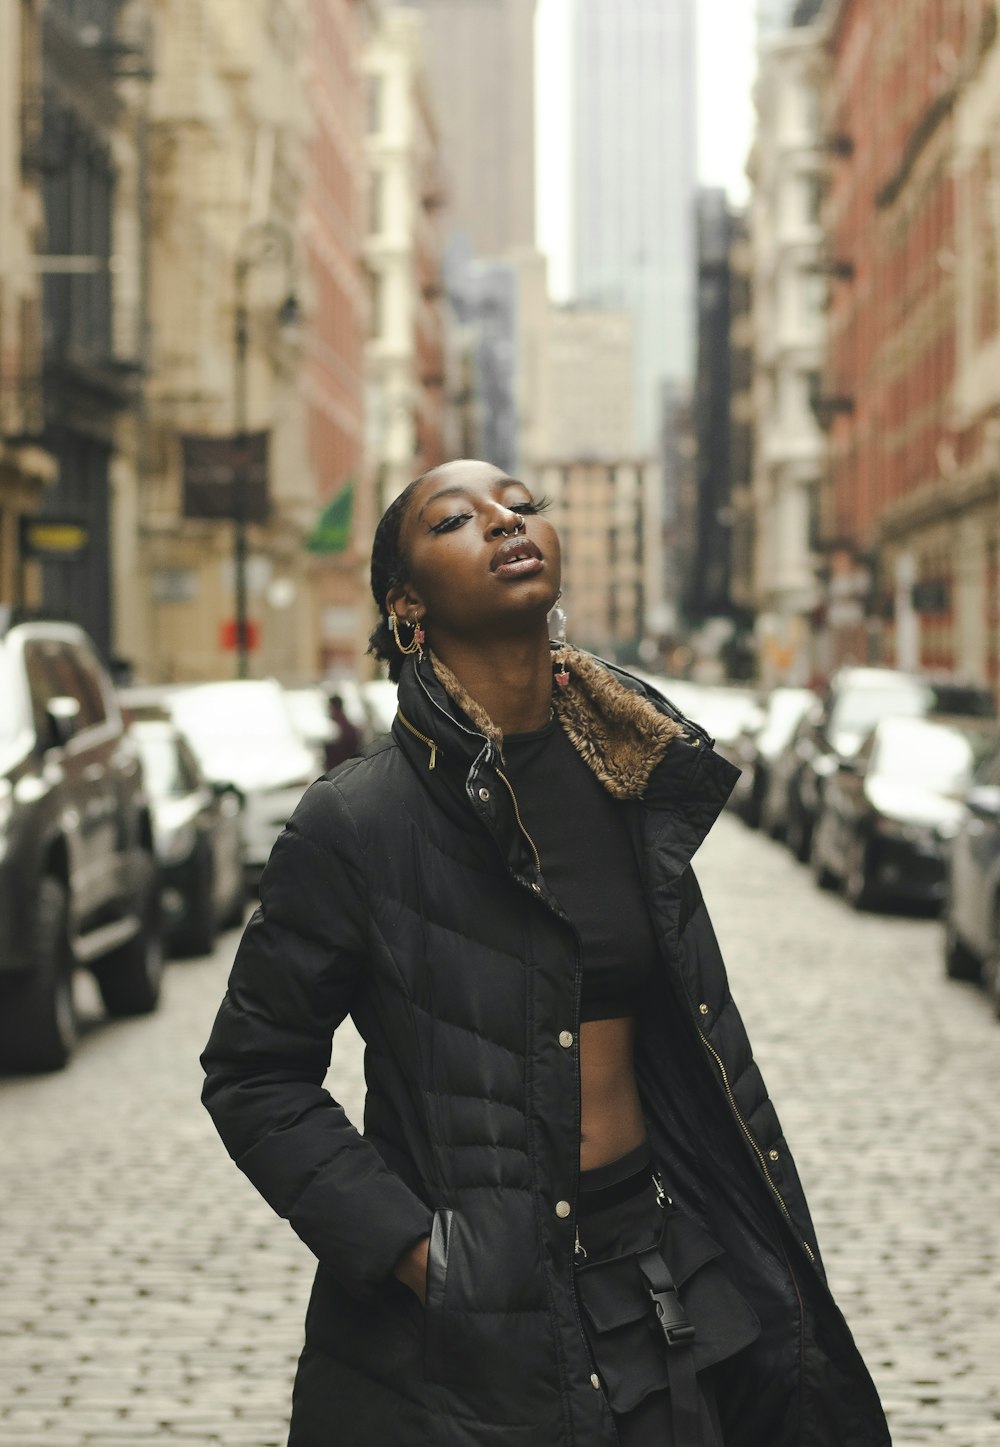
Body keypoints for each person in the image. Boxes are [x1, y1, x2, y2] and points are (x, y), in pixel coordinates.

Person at [201, 460, 891, 1447]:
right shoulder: (354, 821)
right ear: (407, 607)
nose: (503, 521)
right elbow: (253, 1075)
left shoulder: (634, 779)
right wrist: (416, 1253)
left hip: (660, 1270)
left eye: (522, 506)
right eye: (456, 519)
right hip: (472, 1324)